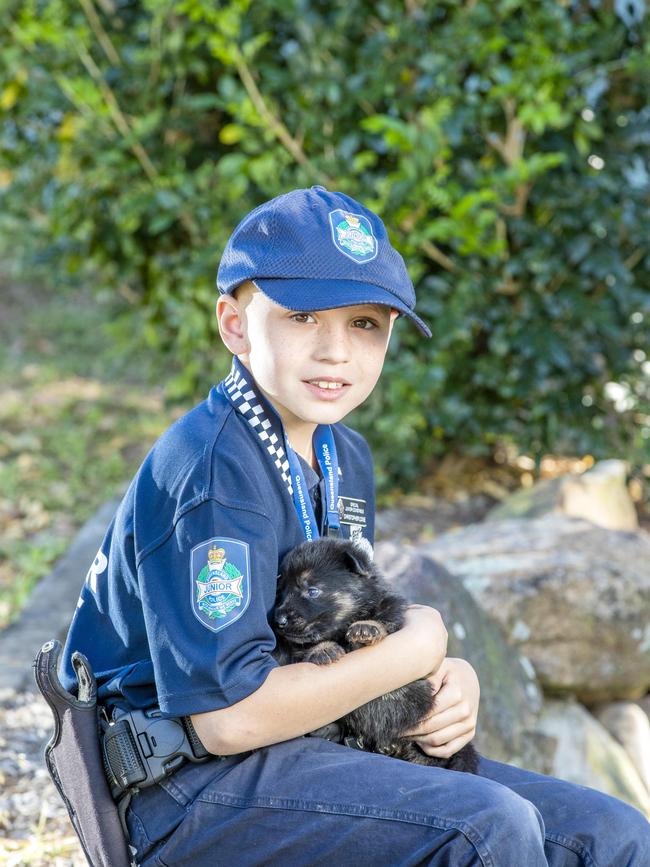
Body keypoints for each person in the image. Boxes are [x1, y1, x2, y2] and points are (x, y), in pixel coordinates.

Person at [61, 186, 650, 866]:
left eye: (365, 323)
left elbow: (347, 629)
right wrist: (417, 646)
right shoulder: (213, 469)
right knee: (485, 828)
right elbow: (230, 718)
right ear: (233, 323)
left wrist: (444, 675)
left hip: (312, 748)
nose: (335, 350)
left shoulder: (342, 454)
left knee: (614, 833)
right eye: (303, 316)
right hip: (188, 791)